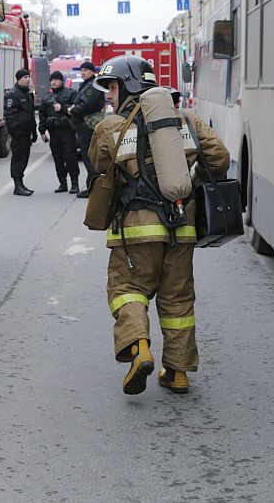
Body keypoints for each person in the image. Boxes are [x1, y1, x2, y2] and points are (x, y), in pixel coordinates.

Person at [89, 56, 229, 396]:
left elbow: (97, 164)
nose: (109, 94)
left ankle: (140, 349)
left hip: (135, 231)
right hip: (181, 227)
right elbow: (220, 158)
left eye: (112, 86)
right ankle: (178, 373)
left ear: (127, 85)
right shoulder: (187, 119)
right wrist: (188, 182)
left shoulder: (111, 127)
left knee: (126, 290)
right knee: (178, 301)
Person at [68, 61, 106, 198]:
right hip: (85, 125)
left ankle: (93, 189)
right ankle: (93, 187)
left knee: (90, 158)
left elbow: (86, 105)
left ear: (92, 71)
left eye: (85, 70)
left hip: (88, 126)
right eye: (81, 70)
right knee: (88, 157)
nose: (83, 72)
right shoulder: (87, 85)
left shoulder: (92, 86)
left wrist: (73, 110)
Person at [38, 71, 80, 193]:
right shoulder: (47, 97)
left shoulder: (71, 94)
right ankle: (62, 183)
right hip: (54, 132)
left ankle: (74, 183)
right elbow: (42, 115)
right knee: (58, 159)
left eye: (56, 79)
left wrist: (62, 108)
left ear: (61, 80)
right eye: (52, 80)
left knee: (70, 157)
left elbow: (76, 111)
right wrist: (42, 132)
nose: (53, 82)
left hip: (67, 131)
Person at [4, 68, 37, 196]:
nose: (28, 79)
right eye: (24, 77)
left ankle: (21, 183)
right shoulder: (13, 94)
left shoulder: (27, 94)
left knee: (24, 159)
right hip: (19, 134)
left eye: (28, 77)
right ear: (18, 79)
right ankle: (17, 185)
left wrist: (33, 132)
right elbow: (10, 116)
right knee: (18, 159)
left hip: (26, 133)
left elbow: (30, 115)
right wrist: (16, 132)